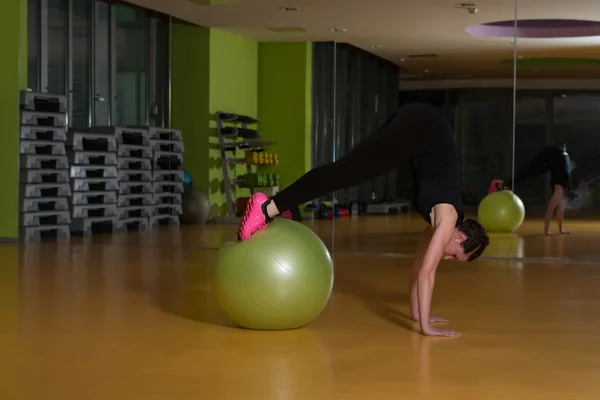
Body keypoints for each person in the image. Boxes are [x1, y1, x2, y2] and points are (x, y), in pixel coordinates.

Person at [238, 102, 490, 338]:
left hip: (421, 125)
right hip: (423, 125)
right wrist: (425, 328)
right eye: (455, 255)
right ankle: (268, 207)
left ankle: (271, 206)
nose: (447, 258)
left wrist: (416, 315)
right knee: (346, 172)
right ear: (460, 236)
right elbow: (427, 273)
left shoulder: (437, 221)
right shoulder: (447, 221)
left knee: (348, 168)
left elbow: (417, 267)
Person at [490, 144, 574, 236]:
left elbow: (560, 211)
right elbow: (550, 210)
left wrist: (561, 230)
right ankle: (504, 183)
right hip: (557, 159)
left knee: (531, 172)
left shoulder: (563, 188)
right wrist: (547, 231)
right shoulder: (560, 190)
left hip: (559, 162)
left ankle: (505, 184)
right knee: (530, 172)